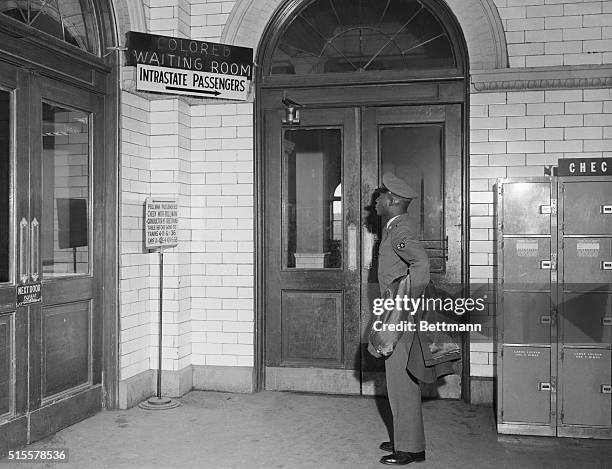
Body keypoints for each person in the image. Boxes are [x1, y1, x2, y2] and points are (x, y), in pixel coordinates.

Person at [370, 172, 453, 466]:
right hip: (397, 310)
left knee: (400, 380)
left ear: (392, 200)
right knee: (397, 379)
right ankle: (404, 437)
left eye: (379, 196)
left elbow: (421, 263)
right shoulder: (395, 228)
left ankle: (411, 449)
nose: (375, 201)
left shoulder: (399, 231)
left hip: (401, 314)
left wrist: (405, 303)